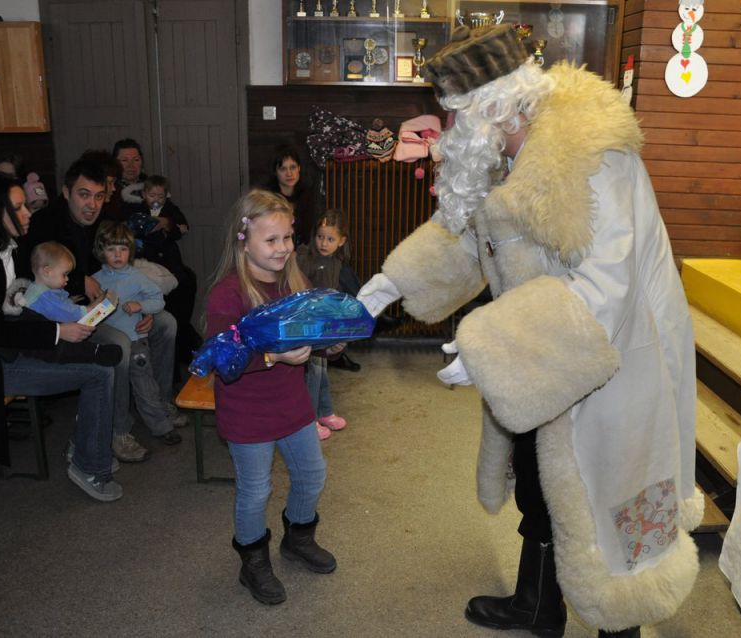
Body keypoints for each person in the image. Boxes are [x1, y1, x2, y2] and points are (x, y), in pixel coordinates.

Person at [358, 25, 700, 637]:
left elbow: (608, 286)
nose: (452, 129)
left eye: (458, 114)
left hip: (612, 361)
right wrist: (390, 286)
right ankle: (537, 604)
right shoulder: (501, 151)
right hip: (540, 360)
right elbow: (471, 232)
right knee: (540, 484)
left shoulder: (594, 157)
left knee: (605, 499)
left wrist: (496, 347)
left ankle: (617, 627)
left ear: (497, 103)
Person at [0, 175, 120, 501]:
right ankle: (90, 465)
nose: (28, 212)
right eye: (18, 207)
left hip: (6, 348)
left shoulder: (5, 247)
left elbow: (28, 300)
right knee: (98, 372)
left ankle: (86, 445)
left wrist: (70, 316)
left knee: (95, 359)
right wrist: (60, 331)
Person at [206, 189, 335, 605]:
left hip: (291, 403)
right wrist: (272, 355)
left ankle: (298, 537)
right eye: (271, 240)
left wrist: (330, 341)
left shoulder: (294, 282)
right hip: (247, 411)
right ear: (244, 239)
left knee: (312, 474)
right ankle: (253, 561)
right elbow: (222, 358)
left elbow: (311, 329)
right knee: (255, 491)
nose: (283, 248)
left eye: (287, 238)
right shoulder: (227, 293)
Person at [16, 158, 182, 463]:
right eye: (83, 195)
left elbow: (114, 267)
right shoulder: (45, 224)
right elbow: (41, 275)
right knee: (118, 345)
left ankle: (159, 402)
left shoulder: (99, 222)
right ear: (65, 192)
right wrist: (81, 281)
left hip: (106, 306)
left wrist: (143, 309)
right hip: (68, 315)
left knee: (166, 323)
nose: (91, 204)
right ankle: (118, 430)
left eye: (98, 196)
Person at [92, 222, 182, 445]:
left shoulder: (136, 276)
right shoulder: (95, 280)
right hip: (113, 340)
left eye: (123, 249)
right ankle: (122, 427)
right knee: (126, 380)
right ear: (101, 251)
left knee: (145, 382)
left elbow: (157, 300)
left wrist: (140, 306)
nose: (117, 255)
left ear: (130, 252)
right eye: (111, 249)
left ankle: (161, 426)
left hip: (136, 340)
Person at [123, 174, 201, 366]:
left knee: (182, 285)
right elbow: (135, 230)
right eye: (152, 195)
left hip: (169, 260)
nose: (156, 199)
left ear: (166, 196)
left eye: (160, 196)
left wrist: (168, 225)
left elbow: (181, 229)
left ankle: (180, 343)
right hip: (147, 260)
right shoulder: (138, 210)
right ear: (144, 195)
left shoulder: (171, 210)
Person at [295, 210, 359, 440]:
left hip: (323, 324)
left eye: (330, 239)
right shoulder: (305, 258)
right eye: (320, 237)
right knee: (313, 371)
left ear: (341, 241)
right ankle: (308, 420)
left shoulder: (336, 261)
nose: (323, 243)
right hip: (306, 324)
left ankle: (324, 411)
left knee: (321, 370)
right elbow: (296, 289)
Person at [15, 240, 122, 367]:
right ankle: (96, 352)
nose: (67, 279)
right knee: (71, 346)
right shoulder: (44, 296)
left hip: (48, 336)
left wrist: (72, 301)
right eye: (64, 274)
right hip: (42, 347)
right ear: (47, 271)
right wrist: (90, 308)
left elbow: (59, 307)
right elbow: (68, 314)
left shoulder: (45, 289)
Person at [264, 146, 316, 247]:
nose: (289, 173)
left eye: (293, 167)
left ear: (299, 168)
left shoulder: (307, 194)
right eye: (283, 169)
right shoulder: (267, 197)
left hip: (303, 251)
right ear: (275, 172)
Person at [112, 138, 146, 204]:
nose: (131, 165)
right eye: (124, 160)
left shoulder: (152, 186)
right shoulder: (110, 192)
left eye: (136, 160)